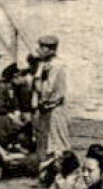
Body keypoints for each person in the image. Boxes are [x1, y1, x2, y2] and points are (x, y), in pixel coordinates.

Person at [28, 35, 72, 163]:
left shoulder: (56, 65)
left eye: (43, 47)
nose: (39, 50)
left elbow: (47, 88)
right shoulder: (44, 64)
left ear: (51, 50)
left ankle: (64, 169)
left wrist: (38, 82)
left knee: (59, 139)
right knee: (46, 141)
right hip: (46, 108)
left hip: (55, 107)